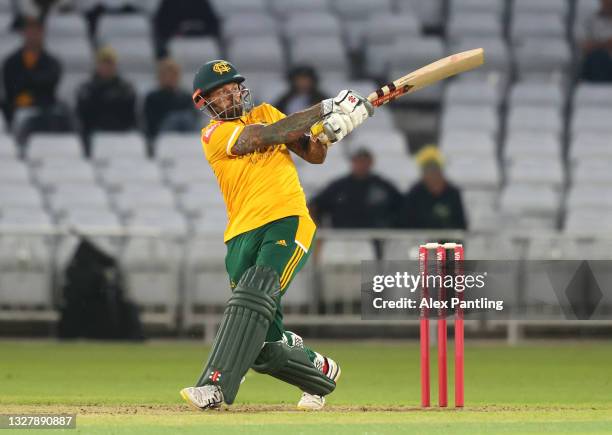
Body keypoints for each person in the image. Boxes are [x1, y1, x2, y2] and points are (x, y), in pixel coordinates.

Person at [179, 59, 373, 411]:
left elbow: (313, 155)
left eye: (234, 87)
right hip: (240, 233)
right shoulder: (213, 134)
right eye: (221, 92)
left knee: (253, 296)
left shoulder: (267, 111)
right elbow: (263, 137)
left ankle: (214, 387)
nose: (231, 95)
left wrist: (328, 132)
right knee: (261, 343)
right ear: (205, 101)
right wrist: (325, 107)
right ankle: (319, 371)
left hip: (287, 220)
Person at [1, 16, 72, 147]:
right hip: (17, 108)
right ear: (24, 33)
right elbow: (10, 87)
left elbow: (50, 85)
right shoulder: (11, 62)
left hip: (45, 109)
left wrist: (27, 85)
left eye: (36, 31)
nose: (33, 35)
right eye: (30, 31)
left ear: (42, 33)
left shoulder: (52, 62)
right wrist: (35, 82)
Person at [310, 148, 402, 229]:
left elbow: (402, 208)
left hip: (375, 239)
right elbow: (315, 206)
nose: (361, 165)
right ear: (353, 162)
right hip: (342, 239)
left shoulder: (382, 186)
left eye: (365, 161)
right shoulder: (339, 187)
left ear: (371, 163)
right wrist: (319, 232)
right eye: (358, 161)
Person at [76, 46, 137, 155]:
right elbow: (84, 115)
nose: (107, 67)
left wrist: (104, 101)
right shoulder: (86, 88)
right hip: (94, 134)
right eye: (103, 63)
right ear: (97, 65)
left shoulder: (126, 88)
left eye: (110, 63)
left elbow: (129, 114)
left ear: (115, 65)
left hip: (121, 132)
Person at [397, 146, 467, 230]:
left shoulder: (453, 193)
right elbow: (406, 223)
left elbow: (461, 225)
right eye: (428, 170)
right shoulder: (414, 194)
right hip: (421, 241)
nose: (433, 175)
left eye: (435, 170)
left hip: (449, 242)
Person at [143, 58, 197, 145]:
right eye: (166, 75)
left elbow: (194, 118)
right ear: (159, 77)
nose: (169, 78)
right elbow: (150, 123)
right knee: (177, 118)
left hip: (185, 132)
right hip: (161, 135)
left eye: (173, 75)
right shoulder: (152, 97)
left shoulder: (185, 97)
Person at [153, 0, 220, 58]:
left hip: (199, 25)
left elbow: (212, 21)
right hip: (175, 27)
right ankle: (162, 58)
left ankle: (162, 57)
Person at [579, 0, 612, 82]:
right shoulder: (590, 21)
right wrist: (606, 44)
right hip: (597, 63)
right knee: (597, 58)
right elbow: (585, 47)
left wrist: (597, 43)